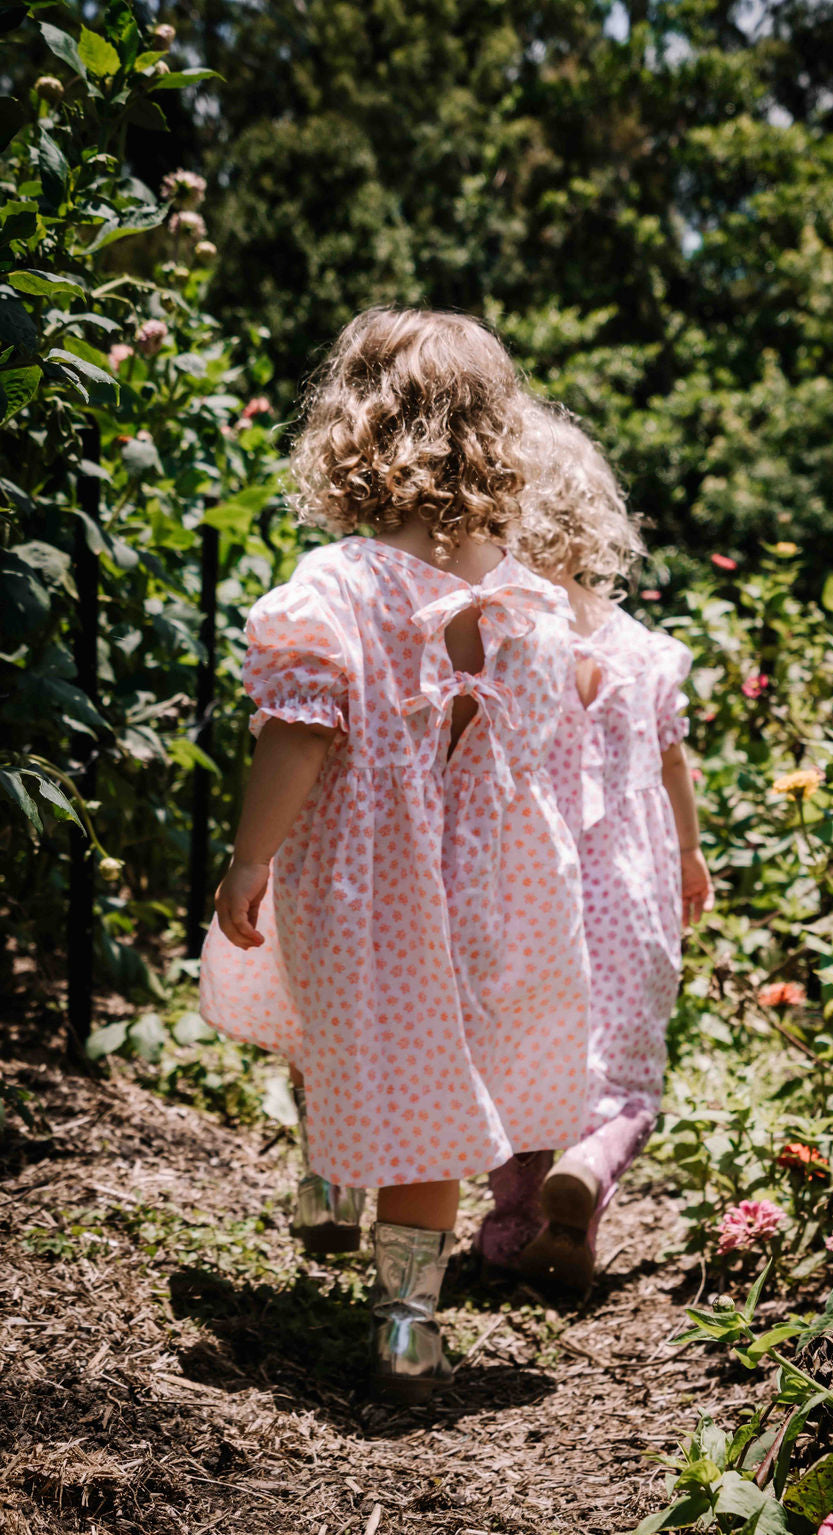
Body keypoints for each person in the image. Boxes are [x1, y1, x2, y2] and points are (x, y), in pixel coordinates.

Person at [199, 311, 590, 1398]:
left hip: (365, 884)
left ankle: (328, 1174)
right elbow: (532, 751)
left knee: (332, 1018)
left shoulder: (340, 586)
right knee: (431, 1092)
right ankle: (409, 1321)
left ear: (357, 427)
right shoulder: (529, 604)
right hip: (483, 894)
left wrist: (248, 860)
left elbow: (301, 734)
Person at [476, 401, 713, 1294]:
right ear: (594, 525)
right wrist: (691, 855)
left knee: (522, 1049)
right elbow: (670, 761)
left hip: (528, 876)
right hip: (629, 882)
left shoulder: (503, 635)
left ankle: (512, 1228)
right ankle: (595, 1165)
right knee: (621, 1062)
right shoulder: (645, 651)